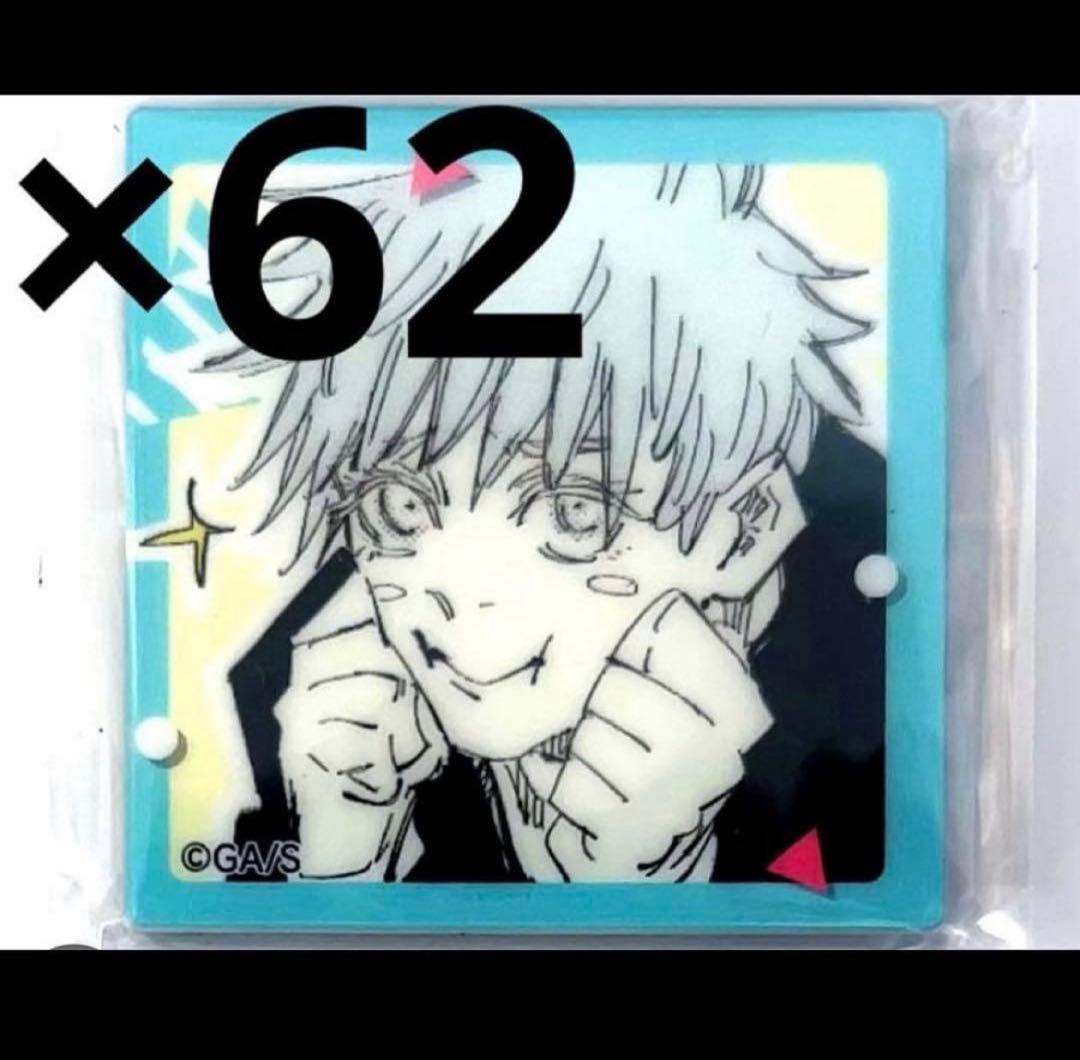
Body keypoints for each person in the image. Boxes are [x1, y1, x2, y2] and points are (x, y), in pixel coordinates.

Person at [217, 160, 885, 884]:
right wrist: (344, 865)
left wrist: (673, 886)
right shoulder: (297, 700)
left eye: (576, 513)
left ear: (748, 527)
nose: (461, 595)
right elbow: (233, 885)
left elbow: (858, 897)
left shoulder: (880, 697)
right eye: (401, 505)